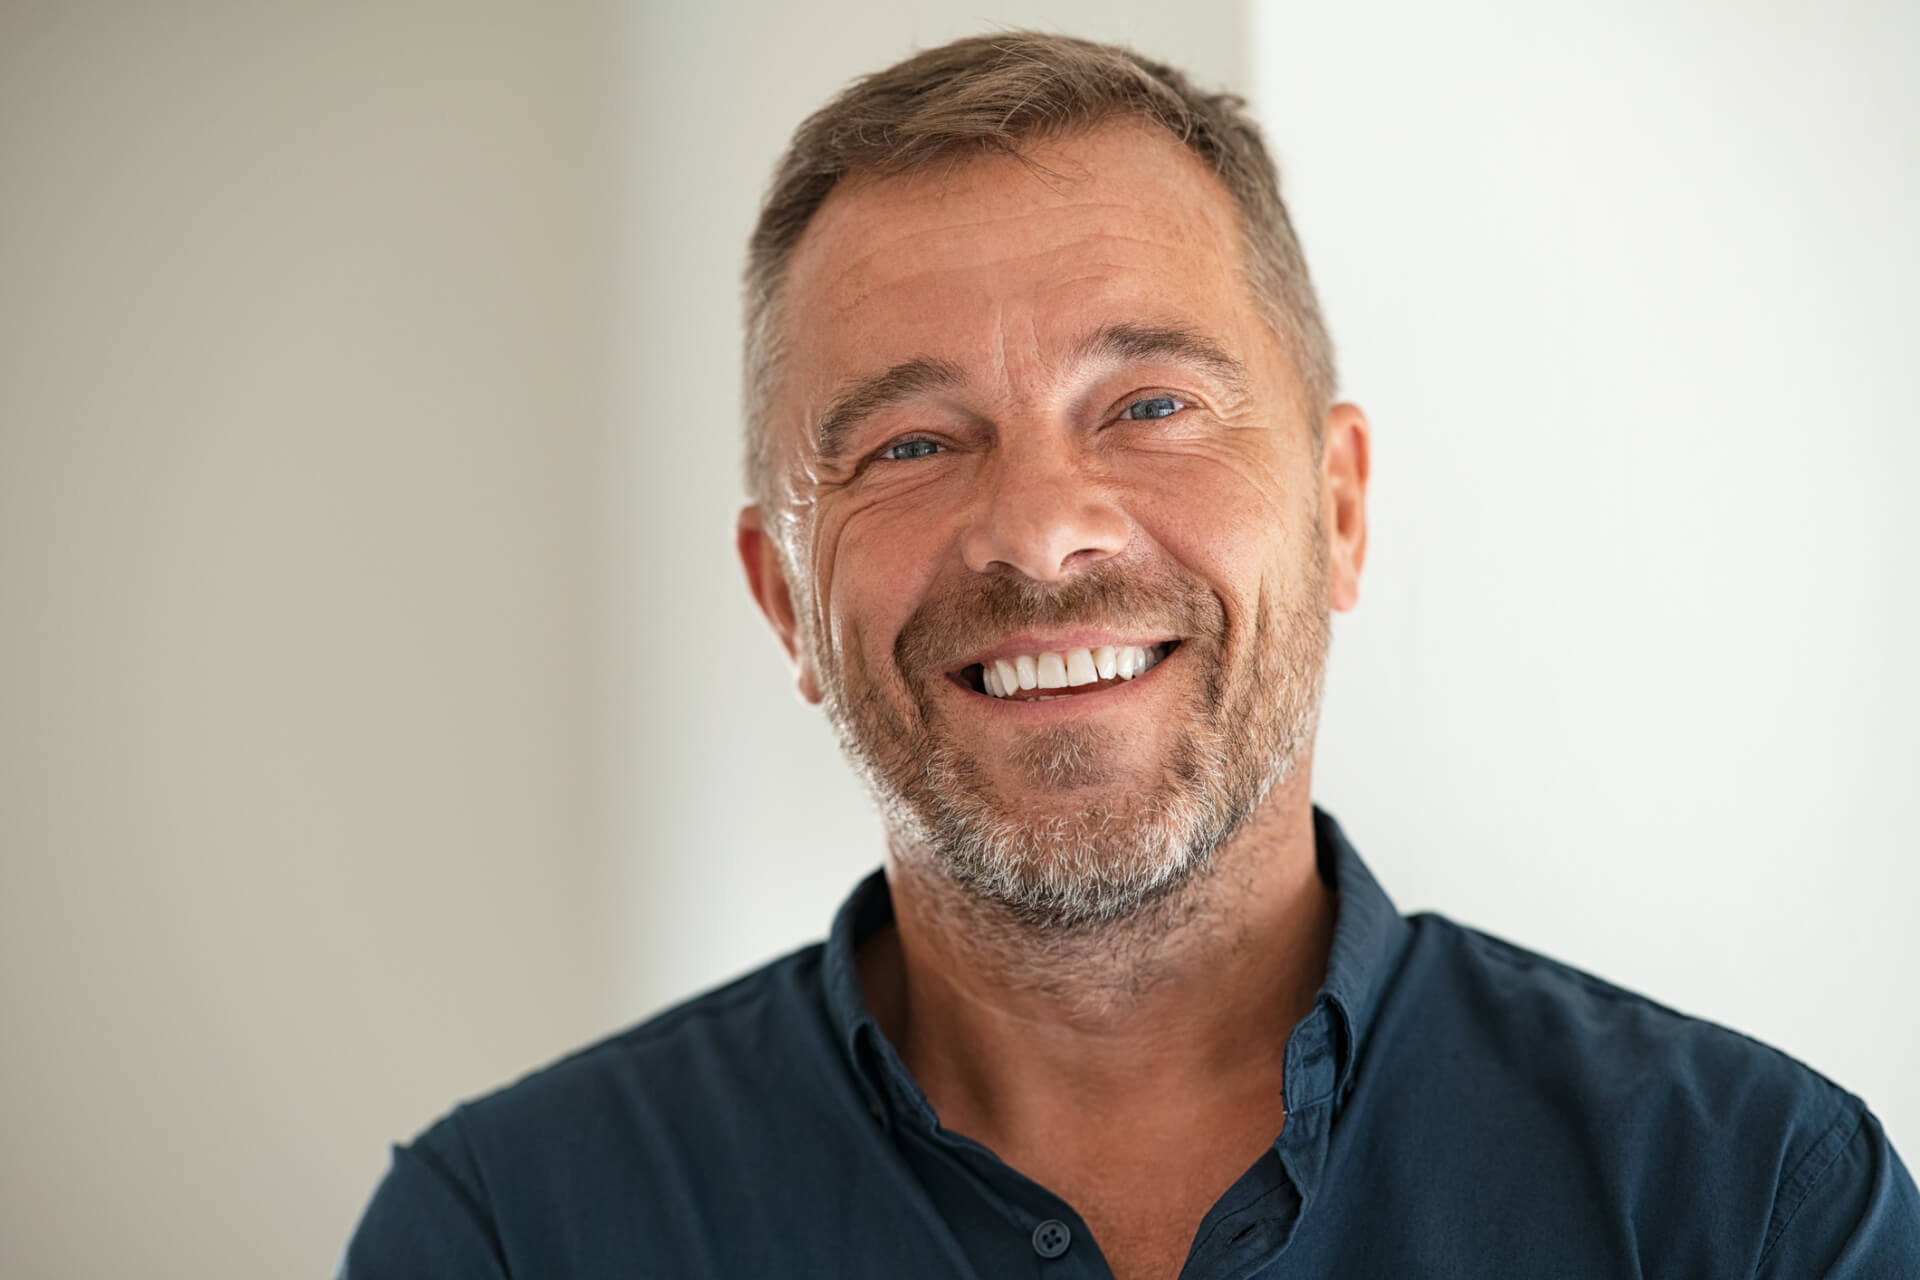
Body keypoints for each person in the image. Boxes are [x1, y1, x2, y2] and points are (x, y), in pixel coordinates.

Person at [340, 31, 1918, 1278]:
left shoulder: (1750, 1209)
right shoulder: (510, 1234)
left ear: (1340, 508)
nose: (1038, 532)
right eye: (906, 443)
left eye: (1149, 405)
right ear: (784, 605)